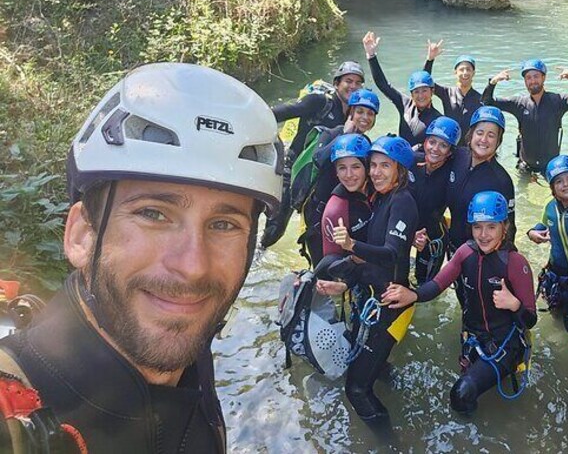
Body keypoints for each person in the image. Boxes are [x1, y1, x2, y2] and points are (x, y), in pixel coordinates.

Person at [0, 63, 284, 452]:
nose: (192, 266)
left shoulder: (189, 361)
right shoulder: (13, 408)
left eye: (223, 225)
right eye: (153, 214)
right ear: (82, 234)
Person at [382, 191, 537, 414]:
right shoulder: (465, 252)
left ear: (504, 226)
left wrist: (514, 304)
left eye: (491, 227)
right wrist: (412, 295)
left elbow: (530, 319)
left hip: (506, 343)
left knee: (460, 394)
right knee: (468, 384)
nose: (483, 235)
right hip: (473, 337)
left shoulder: (514, 263)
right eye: (477, 227)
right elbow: (437, 284)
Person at [316, 136, 419, 427]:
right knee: (372, 365)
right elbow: (375, 257)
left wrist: (351, 245)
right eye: (372, 165)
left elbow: (389, 254)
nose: (375, 172)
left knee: (356, 389)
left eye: (384, 166)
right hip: (375, 300)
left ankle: (390, 444)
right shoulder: (383, 197)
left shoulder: (401, 201)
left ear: (399, 169)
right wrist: (344, 282)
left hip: (391, 304)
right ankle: (399, 388)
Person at [262, 60, 365, 248]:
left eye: (358, 83)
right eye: (348, 81)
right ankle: (255, 257)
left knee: (316, 229)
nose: (353, 86)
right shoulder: (319, 102)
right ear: (336, 83)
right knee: (275, 229)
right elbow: (282, 112)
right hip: (293, 171)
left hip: (316, 180)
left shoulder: (355, 115)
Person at [301, 90, 380, 264]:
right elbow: (319, 159)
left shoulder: (365, 141)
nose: (365, 117)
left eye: (370, 113)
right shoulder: (333, 133)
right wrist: (343, 135)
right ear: (350, 112)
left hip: (349, 211)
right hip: (320, 213)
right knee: (325, 265)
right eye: (360, 111)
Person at [481, 59, 568, 173]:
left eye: (536, 76)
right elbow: (487, 103)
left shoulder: (558, 101)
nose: (532, 81)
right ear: (525, 81)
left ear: (543, 77)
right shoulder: (518, 103)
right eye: (528, 78)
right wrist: (493, 82)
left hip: (551, 166)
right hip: (525, 166)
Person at [527, 155, 568, 332]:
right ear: (552, 188)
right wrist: (532, 232)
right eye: (559, 181)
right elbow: (541, 225)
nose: (565, 184)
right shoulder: (550, 207)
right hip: (557, 272)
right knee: (556, 313)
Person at [445, 106, 516, 254]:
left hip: (478, 256)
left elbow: (509, 229)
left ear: (498, 141)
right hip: (451, 248)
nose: (484, 140)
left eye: (491, 135)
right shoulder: (457, 157)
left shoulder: (501, 181)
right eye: (480, 133)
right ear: (471, 135)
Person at [363, 31, 442, 146]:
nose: (420, 95)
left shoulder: (438, 120)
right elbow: (383, 84)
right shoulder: (405, 104)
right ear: (411, 94)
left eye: (424, 91)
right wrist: (371, 55)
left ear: (432, 92)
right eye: (416, 92)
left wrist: (430, 61)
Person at [409, 116, 462, 284]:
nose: (435, 149)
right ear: (424, 142)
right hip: (407, 230)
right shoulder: (411, 161)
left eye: (443, 145)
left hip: (433, 237)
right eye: (432, 142)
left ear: (451, 151)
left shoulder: (453, 174)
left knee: (423, 283)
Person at [313, 134, 373, 276]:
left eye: (356, 167)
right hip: (356, 272)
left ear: (367, 167)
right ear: (336, 173)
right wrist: (351, 260)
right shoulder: (335, 209)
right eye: (342, 168)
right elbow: (330, 261)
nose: (348, 175)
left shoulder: (379, 188)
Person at [422, 39, 483, 139]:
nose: (465, 73)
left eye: (468, 69)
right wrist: (430, 59)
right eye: (461, 69)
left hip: (469, 147)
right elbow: (425, 81)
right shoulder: (447, 93)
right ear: (455, 72)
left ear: (473, 73)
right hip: (449, 143)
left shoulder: (479, 98)